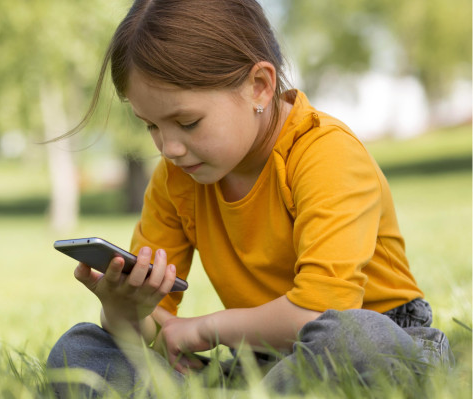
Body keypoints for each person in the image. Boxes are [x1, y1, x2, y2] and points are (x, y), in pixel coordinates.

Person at [46, 0, 452, 397]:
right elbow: (158, 327)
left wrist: (206, 329)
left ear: (259, 87)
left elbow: (321, 310)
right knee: (78, 351)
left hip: (371, 337)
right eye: (151, 126)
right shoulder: (176, 179)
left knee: (352, 339)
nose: (169, 147)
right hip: (261, 361)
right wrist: (124, 312)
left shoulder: (326, 154)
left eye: (188, 122)